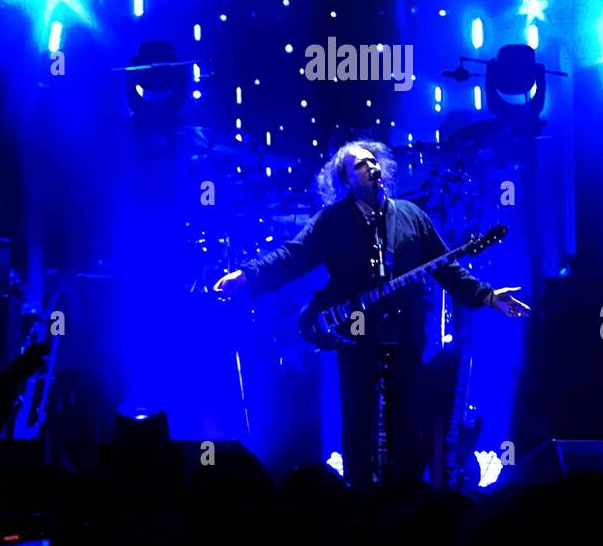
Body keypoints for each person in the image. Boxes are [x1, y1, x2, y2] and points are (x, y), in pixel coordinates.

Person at [213, 140, 528, 487]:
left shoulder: (411, 217)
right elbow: (293, 256)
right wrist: (249, 274)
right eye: (361, 164)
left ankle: (406, 499)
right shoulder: (332, 222)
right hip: (356, 334)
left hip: (406, 335)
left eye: (374, 161)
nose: (372, 166)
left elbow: (447, 269)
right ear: (345, 179)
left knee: (407, 420)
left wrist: (487, 296)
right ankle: (359, 501)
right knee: (358, 419)